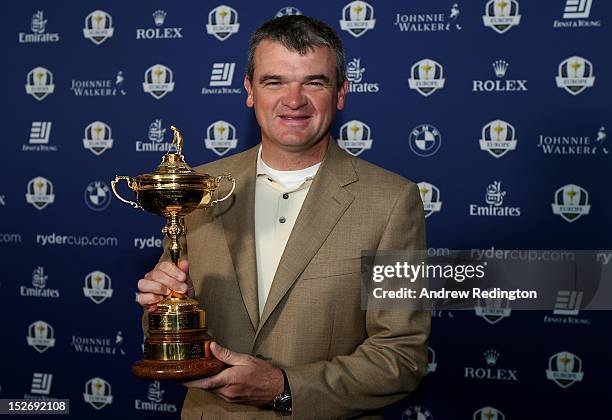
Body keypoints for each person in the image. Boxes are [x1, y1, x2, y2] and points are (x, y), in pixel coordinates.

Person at [137, 15, 430, 419]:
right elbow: (169, 333)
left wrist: (283, 386)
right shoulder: (200, 191)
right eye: (274, 82)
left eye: (314, 82)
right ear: (250, 91)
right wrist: (159, 311)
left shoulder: (392, 201)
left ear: (341, 93)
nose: (294, 100)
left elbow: (402, 356)